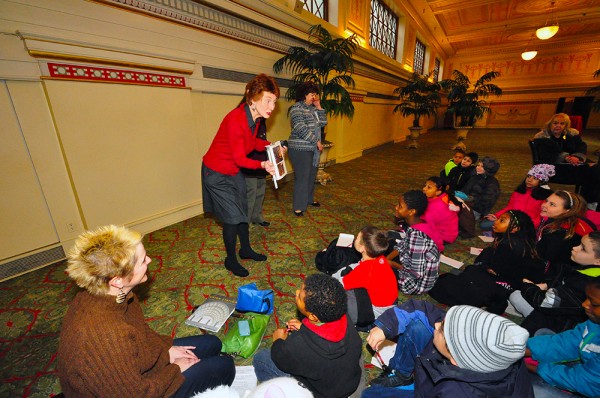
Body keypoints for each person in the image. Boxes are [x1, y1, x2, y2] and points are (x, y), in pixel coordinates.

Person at [57, 225, 235, 397]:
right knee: (224, 366)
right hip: (136, 391)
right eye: (143, 260)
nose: (149, 260)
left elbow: (139, 333)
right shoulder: (107, 335)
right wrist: (176, 369)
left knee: (212, 343)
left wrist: (166, 350)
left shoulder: (115, 295)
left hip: (131, 368)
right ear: (117, 280)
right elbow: (137, 394)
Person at [363, 300, 533, 397]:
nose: (437, 325)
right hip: (440, 378)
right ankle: (402, 376)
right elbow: (423, 309)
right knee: (418, 327)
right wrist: (386, 326)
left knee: (369, 395)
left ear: (455, 359)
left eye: (443, 329)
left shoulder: (457, 393)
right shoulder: (483, 347)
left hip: (436, 391)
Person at [202, 74, 279, 277]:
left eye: (274, 101)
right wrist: (263, 164)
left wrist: (270, 145)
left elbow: (251, 144)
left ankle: (245, 249)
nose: (272, 106)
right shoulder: (236, 119)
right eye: (267, 100)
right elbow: (240, 159)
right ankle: (230, 259)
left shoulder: (254, 118)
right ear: (253, 98)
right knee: (232, 218)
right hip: (217, 173)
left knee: (243, 212)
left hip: (232, 171)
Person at [252, 273, 362, 398]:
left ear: (313, 317)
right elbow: (325, 332)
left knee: (262, 358)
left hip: (319, 393)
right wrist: (305, 327)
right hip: (348, 383)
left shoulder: (298, 343)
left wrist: (278, 341)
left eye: (299, 296)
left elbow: (280, 359)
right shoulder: (344, 318)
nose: (297, 291)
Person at [429, 210, 544, 315]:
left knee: (460, 277)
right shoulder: (515, 241)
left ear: (515, 229)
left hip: (512, 285)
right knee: (472, 270)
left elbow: (496, 270)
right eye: (499, 218)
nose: (496, 222)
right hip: (513, 281)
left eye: (502, 220)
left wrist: (485, 267)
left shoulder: (509, 244)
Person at [510, 232, 600, 335]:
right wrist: (546, 285)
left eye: (583, 249)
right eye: (579, 244)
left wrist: (527, 286)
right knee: (518, 295)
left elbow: (546, 302)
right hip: (560, 307)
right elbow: (561, 281)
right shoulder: (585, 270)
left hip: (563, 324)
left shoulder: (583, 283)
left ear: (598, 261)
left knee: (518, 297)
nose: (575, 248)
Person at [525, 277, 600, 397]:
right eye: (587, 298)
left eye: (594, 304)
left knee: (535, 389)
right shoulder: (595, 322)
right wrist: (525, 350)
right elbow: (569, 342)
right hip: (590, 371)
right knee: (542, 335)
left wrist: (536, 368)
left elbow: (585, 381)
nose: (584, 304)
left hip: (590, 385)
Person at [332, 225, 398, 327]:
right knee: (351, 269)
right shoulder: (380, 258)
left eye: (358, 238)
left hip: (377, 311)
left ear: (363, 248)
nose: (355, 238)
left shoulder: (364, 272)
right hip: (391, 301)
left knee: (337, 295)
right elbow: (360, 266)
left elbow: (339, 284)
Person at [533, 113, 600, 207]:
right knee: (592, 172)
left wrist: (577, 157)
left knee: (595, 169)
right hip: (555, 168)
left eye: (562, 123)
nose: (558, 126)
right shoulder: (542, 138)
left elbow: (581, 146)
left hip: (573, 164)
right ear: (550, 124)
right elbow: (546, 155)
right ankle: (589, 202)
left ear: (566, 126)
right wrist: (566, 157)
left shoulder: (571, 135)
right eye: (555, 123)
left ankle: (589, 201)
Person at [387, 190, 441, 295]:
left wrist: (392, 264)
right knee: (386, 245)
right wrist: (387, 259)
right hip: (413, 264)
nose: (396, 208)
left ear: (411, 212)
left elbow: (416, 274)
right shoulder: (420, 223)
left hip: (415, 284)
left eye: (400, 206)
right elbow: (403, 245)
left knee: (375, 269)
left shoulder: (417, 238)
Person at [535, 191, 596, 280]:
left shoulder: (557, 232)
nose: (544, 205)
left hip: (556, 277)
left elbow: (543, 259)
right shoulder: (576, 222)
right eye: (546, 201)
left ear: (567, 211)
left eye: (552, 204)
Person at [287, 81, 327, 217]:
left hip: (311, 149)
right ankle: (298, 206)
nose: (314, 97)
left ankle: (309, 200)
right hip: (299, 149)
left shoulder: (313, 109)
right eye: (312, 94)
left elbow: (323, 123)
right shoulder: (296, 109)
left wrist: (319, 106)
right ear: (304, 95)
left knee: (311, 176)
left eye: (315, 95)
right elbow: (299, 127)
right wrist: (316, 141)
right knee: (302, 178)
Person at [481, 163, 554, 231]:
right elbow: (510, 207)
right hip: (512, 220)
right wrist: (497, 216)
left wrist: (526, 225)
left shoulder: (544, 197)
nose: (529, 180)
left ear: (541, 182)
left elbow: (541, 217)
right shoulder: (519, 192)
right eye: (528, 176)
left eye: (535, 178)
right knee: (484, 224)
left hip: (529, 225)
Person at [459, 156, 501, 220]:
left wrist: (469, 201)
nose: (478, 168)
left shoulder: (492, 183)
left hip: (476, 210)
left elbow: (486, 203)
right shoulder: (475, 177)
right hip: (465, 204)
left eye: (482, 167)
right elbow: (465, 190)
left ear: (489, 169)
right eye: (478, 165)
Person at [421, 176, 459, 247]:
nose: (424, 189)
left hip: (444, 236)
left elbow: (425, 222)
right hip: (440, 229)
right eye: (425, 186)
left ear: (438, 192)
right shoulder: (441, 197)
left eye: (429, 187)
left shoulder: (439, 205)